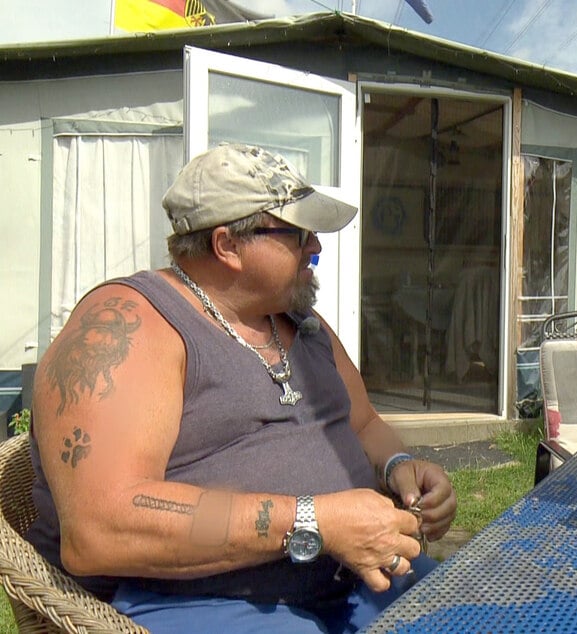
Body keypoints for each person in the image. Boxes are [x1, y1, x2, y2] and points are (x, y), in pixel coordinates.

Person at [26, 143, 457, 633]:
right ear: (227, 245)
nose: (316, 247)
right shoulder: (129, 327)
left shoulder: (298, 320)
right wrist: (316, 522)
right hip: (197, 600)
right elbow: (98, 529)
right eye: (298, 234)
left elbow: (363, 423)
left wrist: (403, 468)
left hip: (355, 580)